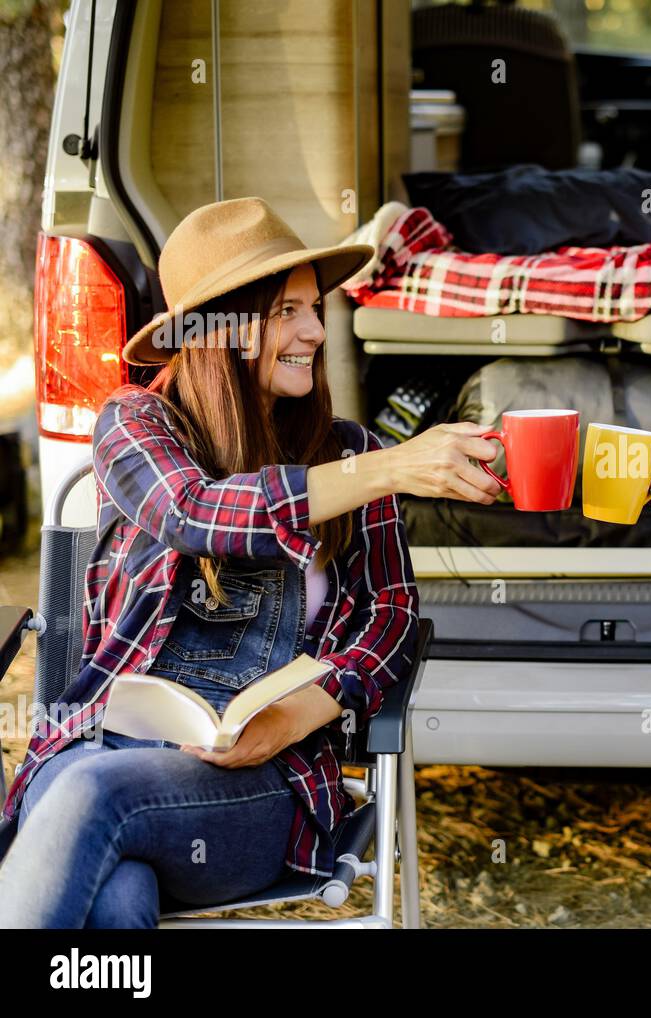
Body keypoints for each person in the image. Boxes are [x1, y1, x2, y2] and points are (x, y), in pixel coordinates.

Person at [0, 197, 504, 928]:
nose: (314, 330)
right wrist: (392, 469)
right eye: (286, 311)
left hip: (256, 786)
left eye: (313, 306)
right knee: (118, 897)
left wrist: (306, 709)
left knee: (90, 800)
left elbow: (391, 617)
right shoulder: (136, 424)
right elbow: (193, 513)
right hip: (100, 746)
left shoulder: (351, 452)